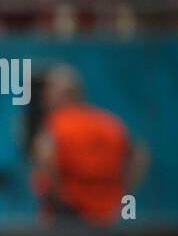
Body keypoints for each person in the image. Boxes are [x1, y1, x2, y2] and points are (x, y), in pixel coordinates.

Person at [29, 65, 150, 226]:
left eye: (48, 91)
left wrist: (59, 194)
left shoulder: (56, 125)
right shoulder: (111, 123)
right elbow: (141, 156)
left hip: (67, 215)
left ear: (59, 94)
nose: (44, 98)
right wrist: (124, 192)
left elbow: (45, 156)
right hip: (107, 215)